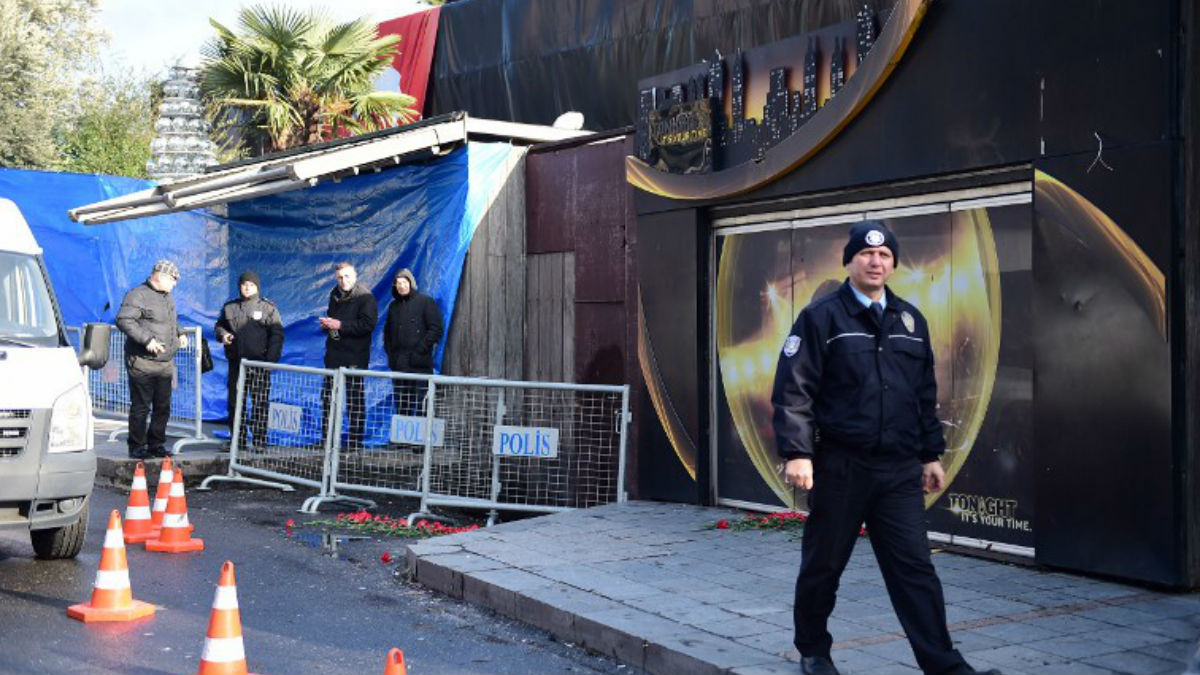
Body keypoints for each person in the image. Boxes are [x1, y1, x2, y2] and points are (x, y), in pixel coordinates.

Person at [771, 221, 998, 675]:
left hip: (897, 470)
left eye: (885, 256)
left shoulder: (911, 321)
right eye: (866, 254)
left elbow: (922, 395)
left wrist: (929, 454)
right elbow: (794, 388)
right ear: (849, 260)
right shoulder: (822, 318)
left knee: (915, 570)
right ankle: (813, 651)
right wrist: (799, 453)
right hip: (842, 465)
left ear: (893, 264)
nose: (876, 262)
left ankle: (944, 666)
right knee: (824, 565)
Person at [115, 260, 188, 460]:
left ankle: (156, 444)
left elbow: (172, 320)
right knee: (141, 406)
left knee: (163, 406)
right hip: (142, 361)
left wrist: (180, 333)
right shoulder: (138, 294)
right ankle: (137, 447)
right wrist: (147, 340)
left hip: (164, 362)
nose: (175, 285)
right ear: (161, 277)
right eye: (173, 280)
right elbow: (123, 319)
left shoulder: (167, 297)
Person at [214, 270, 284, 449]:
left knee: (260, 402)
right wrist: (223, 335)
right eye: (244, 284)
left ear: (257, 287)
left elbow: (276, 336)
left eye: (251, 285)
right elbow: (219, 326)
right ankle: (239, 440)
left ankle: (260, 441)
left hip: (258, 364)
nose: (247, 287)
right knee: (235, 403)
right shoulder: (229, 307)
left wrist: (269, 362)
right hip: (237, 364)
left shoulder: (267, 308)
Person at [318, 262, 377, 451]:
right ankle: (327, 439)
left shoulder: (365, 297)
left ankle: (354, 442)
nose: (343, 281)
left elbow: (368, 325)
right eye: (340, 277)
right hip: (334, 356)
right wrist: (329, 328)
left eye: (347, 276)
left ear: (355, 276)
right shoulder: (334, 295)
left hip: (355, 357)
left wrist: (340, 326)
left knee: (354, 400)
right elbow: (334, 325)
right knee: (328, 398)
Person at [383, 268, 444, 419]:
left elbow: (436, 328)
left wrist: (420, 350)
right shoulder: (393, 306)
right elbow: (387, 333)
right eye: (398, 283)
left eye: (404, 282)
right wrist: (392, 355)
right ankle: (403, 442)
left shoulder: (425, 301)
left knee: (423, 405)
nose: (401, 286)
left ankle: (423, 442)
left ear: (411, 283)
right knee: (402, 405)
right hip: (399, 365)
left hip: (420, 365)